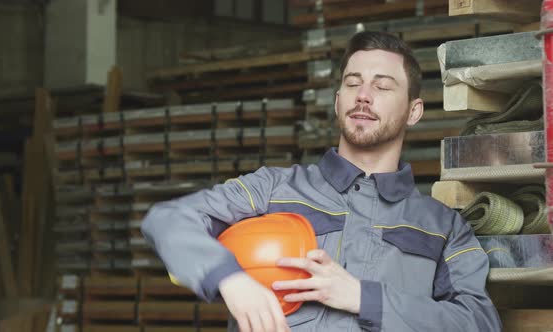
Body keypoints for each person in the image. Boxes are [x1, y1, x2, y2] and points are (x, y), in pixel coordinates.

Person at [141, 31, 502, 332]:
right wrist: (230, 279)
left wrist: (363, 297)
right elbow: (170, 219)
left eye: (383, 86)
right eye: (353, 83)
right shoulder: (273, 190)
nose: (363, 95)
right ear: (337, 101)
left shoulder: (444, 229)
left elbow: (479, 323)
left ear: (414, 111)